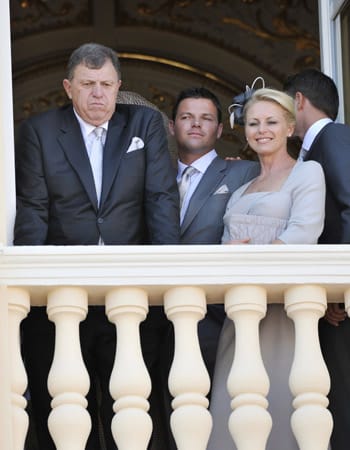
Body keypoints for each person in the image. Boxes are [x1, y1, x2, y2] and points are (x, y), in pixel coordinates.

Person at [14, 42, 180, 450]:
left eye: (106, 84)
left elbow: (161, 200)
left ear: (119, 84)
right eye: (88, 84)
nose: (99, 94)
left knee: (136, 415)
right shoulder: (40, 131)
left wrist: (167, 283)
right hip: (60, 299)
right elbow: (33, 210)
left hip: (133, 296)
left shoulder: (143, 125)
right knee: (66, 415)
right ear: (68, 87)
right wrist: (30, 297)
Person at [207, 87, 326, 450]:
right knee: (231, 412)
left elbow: (303, 234)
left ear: (290, 127)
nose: (262, 130)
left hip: (284, 316)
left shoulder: (308, 173)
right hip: (241, 316)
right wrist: (227, 254)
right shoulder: (242, 190)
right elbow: (226, 246)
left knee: (284, 407)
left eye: (271, 122)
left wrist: (251, 261)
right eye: (254, 122)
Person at [161, 86, 259, 449]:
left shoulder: (246, 172)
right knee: (159, 414)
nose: (196, 125)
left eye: (206, 118)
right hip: (157, 316)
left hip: (215, 316)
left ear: (220, 129)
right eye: (187, 117)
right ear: (172, 126)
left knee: (214, 417)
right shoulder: (152, 175)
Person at [284, 68, 350, 450]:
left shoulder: (335, 137)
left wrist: (339, 288)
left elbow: (348, 206)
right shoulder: (314, 148)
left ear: (298, 102)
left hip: (340, 301)